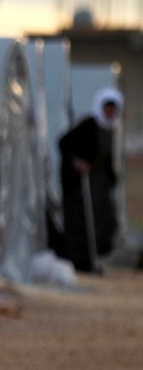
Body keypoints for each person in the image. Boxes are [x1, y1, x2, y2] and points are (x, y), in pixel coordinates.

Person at [58, 86, 123, 273]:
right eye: (107, 109)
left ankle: (92, 258)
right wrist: (77, 163)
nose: (110, 113)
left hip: (99, 186)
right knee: (81, 223)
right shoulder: (88, 125)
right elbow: (64, 143)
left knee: (103, 222)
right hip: (80, 186)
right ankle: (81, 262)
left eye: (113, 109)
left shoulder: (110, 129)